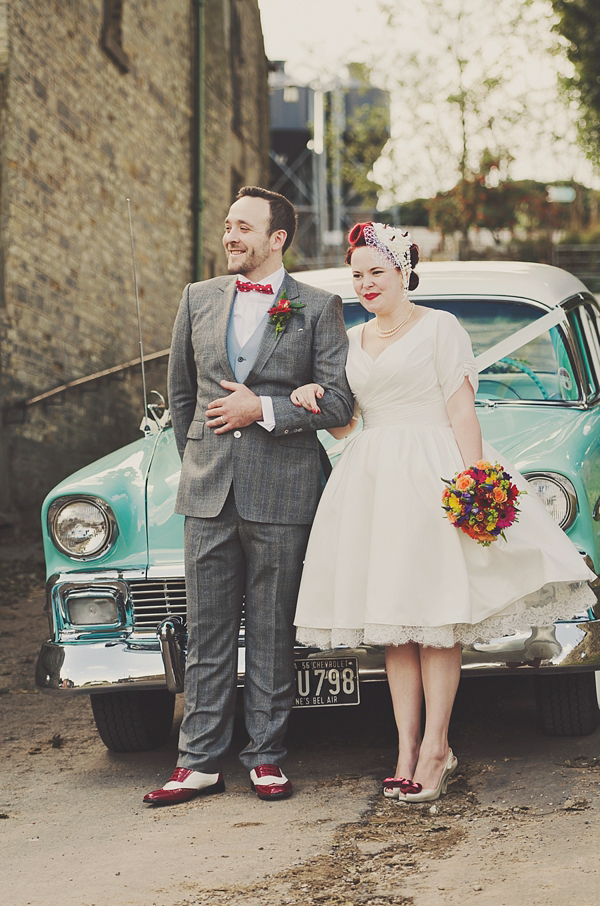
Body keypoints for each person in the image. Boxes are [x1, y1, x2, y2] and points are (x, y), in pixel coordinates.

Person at [291, 221, 596, 803]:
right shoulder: (353, 340)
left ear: (403, 270)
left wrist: (476, 479)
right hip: (372, 476)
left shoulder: (440, 328)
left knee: (434, 622)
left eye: (376, 272)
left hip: (432, 471)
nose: (365, 284)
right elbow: (350, 421)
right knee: (394, 625)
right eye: (356, 275)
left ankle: (437, 748)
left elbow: (461, 410)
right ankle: (405, 748)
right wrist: (314, 399)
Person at [144, 187, 354, 806]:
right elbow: (183, 396)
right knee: (206, 630)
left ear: (277, 238)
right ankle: (198, 761)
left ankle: (266, 756)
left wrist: (260, 407)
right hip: (208, 490)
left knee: (269, 630)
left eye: (243, 227)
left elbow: (339, 403)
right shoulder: (197, 298)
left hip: (285, 491)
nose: (230, 236)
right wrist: (201, 460)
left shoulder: (317, 306)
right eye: (228, 225)